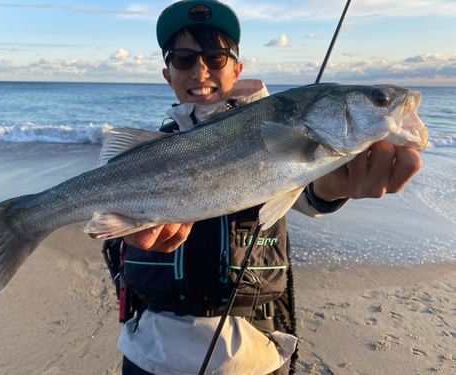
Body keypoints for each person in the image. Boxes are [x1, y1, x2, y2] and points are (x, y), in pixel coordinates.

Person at [108, 1, 423, 374]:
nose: (200, 70)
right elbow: (105, 229)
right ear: (167, 74)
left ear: (238, 68)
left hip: (251, 353)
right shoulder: (138, 155)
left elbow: (310, 193)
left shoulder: (288, 129)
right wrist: (123, 233)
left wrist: (332, 188)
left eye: (216, 57)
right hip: (149, 350)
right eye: (183, 59)